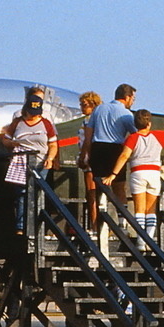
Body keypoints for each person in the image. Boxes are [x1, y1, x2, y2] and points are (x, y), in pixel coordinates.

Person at [106, 110, 164, 248]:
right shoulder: (159, 135)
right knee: (151, 210)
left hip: (138, 173)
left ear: (135, 124)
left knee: (140, 209)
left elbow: (124, 156)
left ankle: (140, 240)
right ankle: (148, 240)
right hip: (154, 174)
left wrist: (113, 174)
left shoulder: (132, 138)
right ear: (149, 123)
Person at [1, 87, 58, 233]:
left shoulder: (46, 123)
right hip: (21, 162)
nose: (33, 116)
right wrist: (12, 144)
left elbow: (53, 144)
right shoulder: (17, 122)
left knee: (38, 192)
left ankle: (38, 226)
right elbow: (5, 140)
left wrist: (50, 158)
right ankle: (21, 226)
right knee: (21, 193)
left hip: (41, 162)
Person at [87, 84, 136, 211]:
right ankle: (122, 223)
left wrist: (85, 154)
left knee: (100, 187)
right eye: (133, 99)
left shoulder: (98, 109)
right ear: (127, 97)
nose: (133, 102)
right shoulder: (126, 114)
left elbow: (88, 134)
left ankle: (101, 224)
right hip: (115, 150)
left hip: (97, 149)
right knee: (119, 188)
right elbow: (136, 135)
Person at [75, 91, 103, 227]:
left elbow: (87, 140)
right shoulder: (100, 118)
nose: (81, 107)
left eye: (84, 104)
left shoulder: (88, 120)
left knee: (91, 193)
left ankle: (95, 224)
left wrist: (83, 157)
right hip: (98, 157)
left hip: (89, 158)